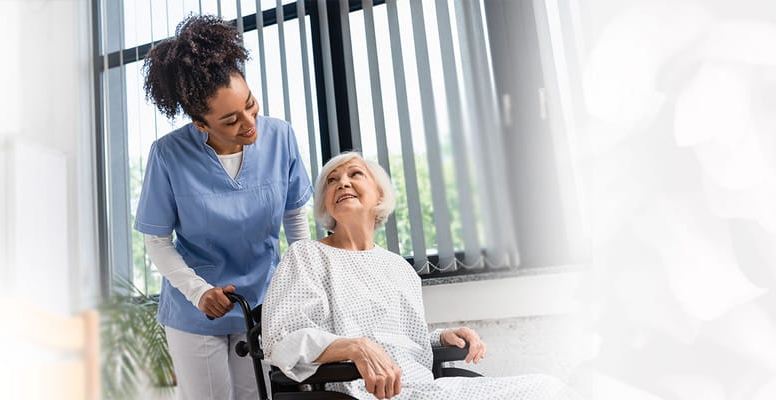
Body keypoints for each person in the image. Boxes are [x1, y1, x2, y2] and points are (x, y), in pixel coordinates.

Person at [261, 152, 574, 399]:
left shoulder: (399, 267)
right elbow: (283, 338)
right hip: (363, 393)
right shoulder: (306, 256)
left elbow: (396, 340)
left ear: (380, 195)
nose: (341, 183)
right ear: (324, 202)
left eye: (355, 174)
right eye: (331, 181)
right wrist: (357, 347)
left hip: (425, 390)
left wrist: (440, 337)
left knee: (550, 389)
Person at [135, 15, 313, 399]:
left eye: (251, 105)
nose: (250, 123)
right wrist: (199, 292)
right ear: (201, 124)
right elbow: (157, 241)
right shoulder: (168, 155)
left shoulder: (280, 137)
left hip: (264, 306)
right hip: (197, 310)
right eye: (231, 120)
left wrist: (299, 284)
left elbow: (296, 219)